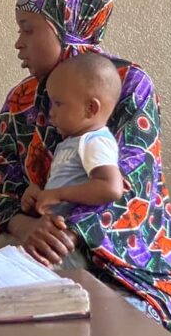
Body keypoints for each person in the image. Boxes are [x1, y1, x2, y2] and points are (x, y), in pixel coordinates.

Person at [0, 0, 171, 336]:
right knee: (0, 306)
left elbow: (131, 185)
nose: (19, 43)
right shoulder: (21, 100)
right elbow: (6, 187)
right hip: (35, 244)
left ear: (62, 27)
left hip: (125, 267)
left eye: (28, 29)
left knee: (91, 325)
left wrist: (62, 235)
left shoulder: (129, 85)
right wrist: (26, 227)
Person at [20, 53, 123, 226]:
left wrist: (59, 194)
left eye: (58, 104)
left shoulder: (95, 141)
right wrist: (38, 197)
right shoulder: (72, 143)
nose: (51, 112)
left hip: (74, 233)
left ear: (90, 108)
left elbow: (110, 188)